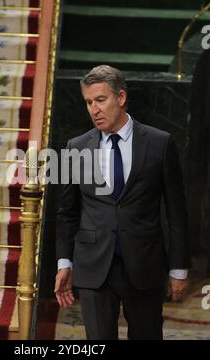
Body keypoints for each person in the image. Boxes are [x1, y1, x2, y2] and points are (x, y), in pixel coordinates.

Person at [54, 65, 191, 340]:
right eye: (88, 102)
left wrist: (178, 269)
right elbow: (67, 212)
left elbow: (177, 213)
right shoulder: (75, 147)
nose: (94, 109)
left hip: (144, 264)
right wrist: (64, 263)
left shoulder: (159, 143)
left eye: (100, 100)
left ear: (121, 97)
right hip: (94, 265)